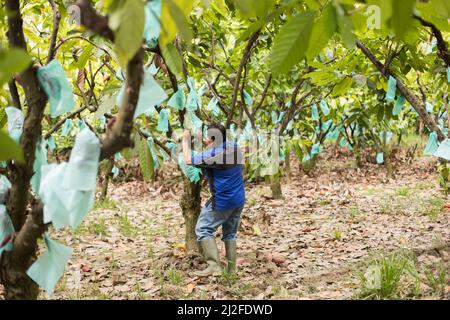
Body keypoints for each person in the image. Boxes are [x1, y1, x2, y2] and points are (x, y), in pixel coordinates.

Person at [182, 123, 245, 277]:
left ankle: (214, 266)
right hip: (239, 199)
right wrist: (210, 144)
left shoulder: (211, 156)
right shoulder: (234, 146)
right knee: (230, 234)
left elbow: (188, 159)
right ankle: (231, 271)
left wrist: (185, 141)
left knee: (203, 229)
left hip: (223, 201)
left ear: (212, 139)